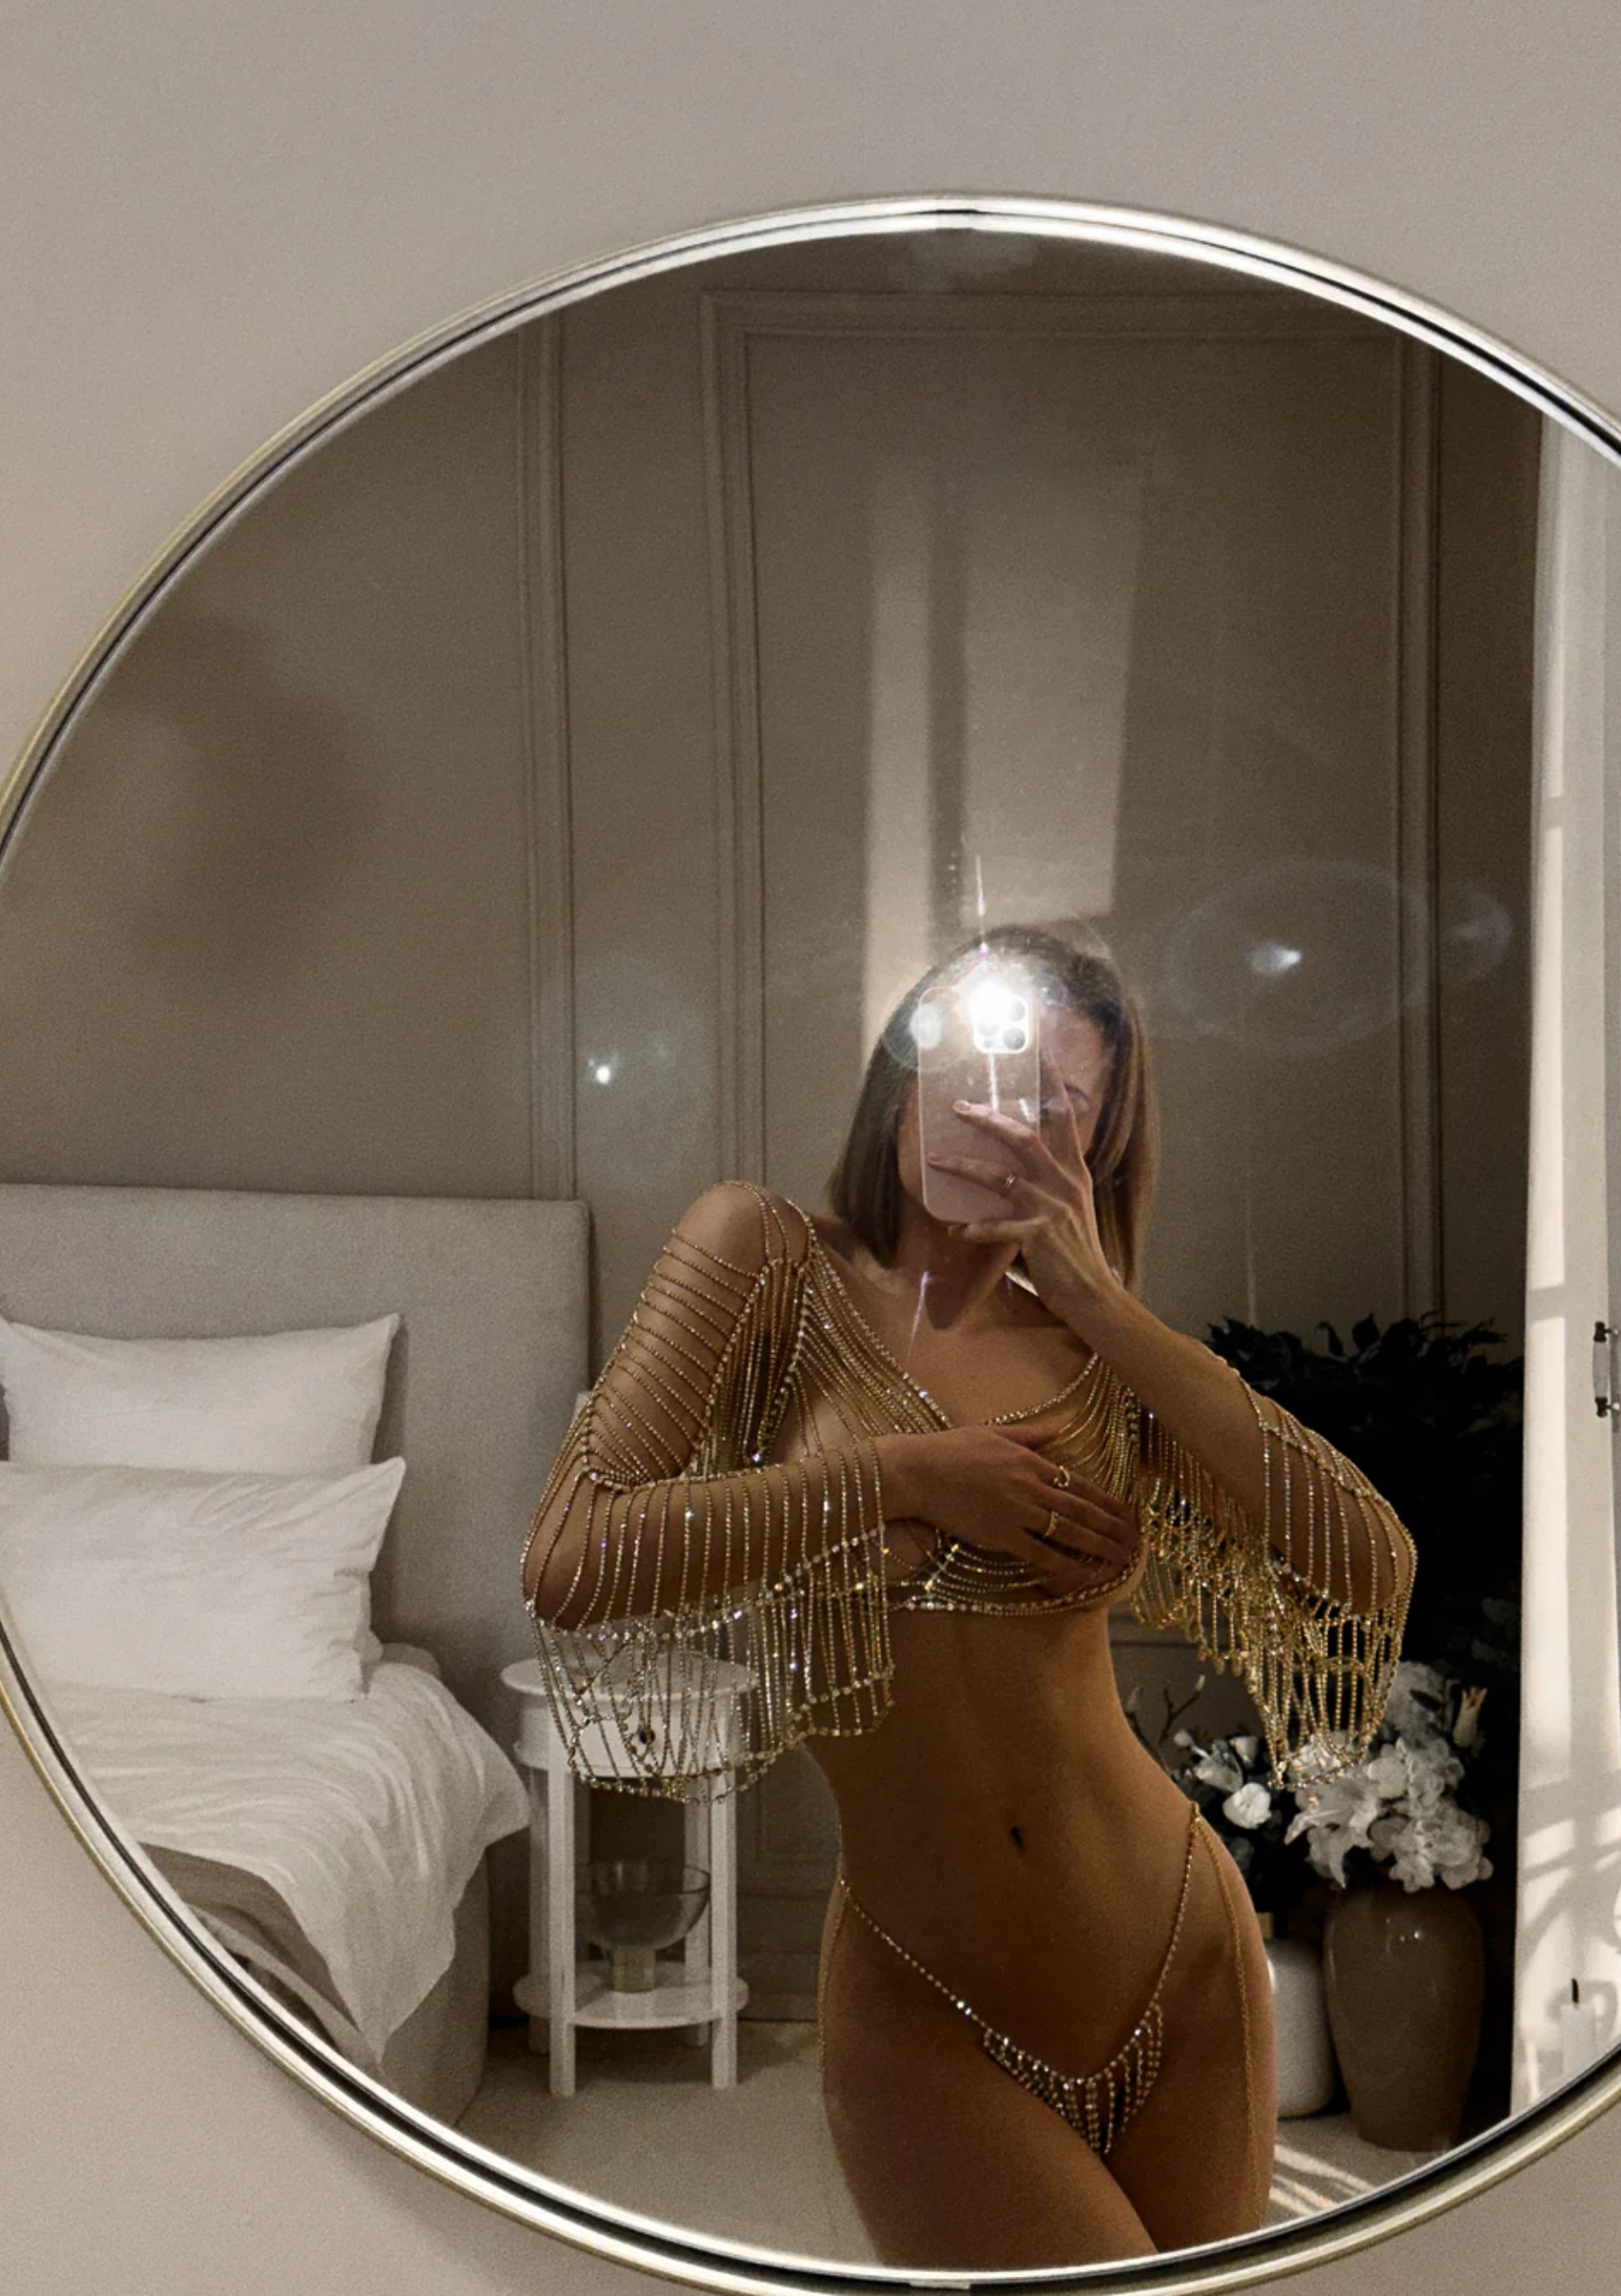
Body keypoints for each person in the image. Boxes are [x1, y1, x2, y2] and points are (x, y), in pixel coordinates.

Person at [522, 926, 1414, 2269]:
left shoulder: (1097, 1357)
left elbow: (1367, 1565)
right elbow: (572, 1556)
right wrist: (908, 1478)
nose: (1003, 1114)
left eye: (1058, 1100)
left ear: (1099, 1145)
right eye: (981, 1062)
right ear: (906, 1065)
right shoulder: (766, 1257)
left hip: (1179, 1951)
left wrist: (1101, 1303)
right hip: (923, 1995)